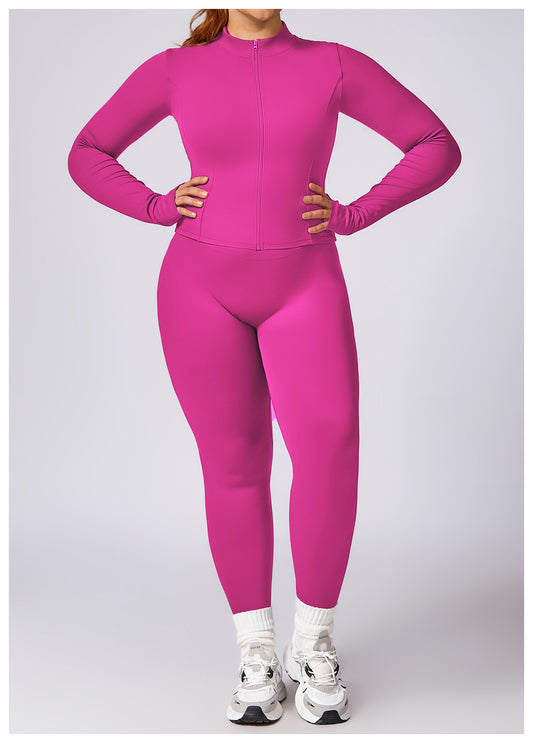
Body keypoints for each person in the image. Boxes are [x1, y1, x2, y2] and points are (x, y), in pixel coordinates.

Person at [67, 8, 462, 726]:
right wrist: (155, 205)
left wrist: (354, 214)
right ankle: (255, 653)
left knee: (330, 449)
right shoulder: (175, 69)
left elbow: (435, 144)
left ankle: (313, 644)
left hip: (304, 283)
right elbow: (88, 150)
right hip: (198, 289)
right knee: (234, 463)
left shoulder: (332, 63)